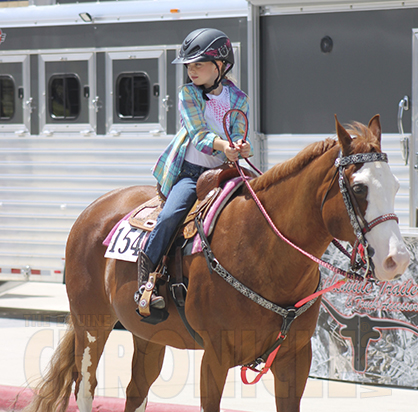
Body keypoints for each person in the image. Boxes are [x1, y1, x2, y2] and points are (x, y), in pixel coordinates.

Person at [136, 28, 253, 310]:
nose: (191, 70)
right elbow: (200, 136)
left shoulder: (238, 98)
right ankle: (145, 281)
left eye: (199, 63)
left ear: (221, 66)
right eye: (188, 65)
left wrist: (241, 146)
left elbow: (239, 131)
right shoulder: (187, 94)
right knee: (169, 217)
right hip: (192, 174)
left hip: (225, 173)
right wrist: (225, 146)